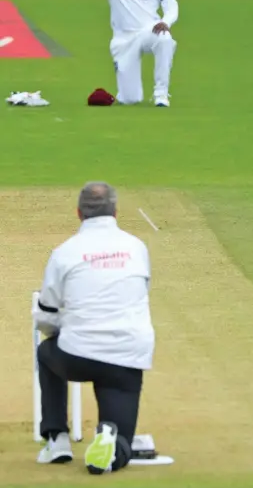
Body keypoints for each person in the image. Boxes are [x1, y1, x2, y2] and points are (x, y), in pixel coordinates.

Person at [32, 182, 154, 474]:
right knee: (122, 443)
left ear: (78, 213)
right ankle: (109, 441)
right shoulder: (137, 247)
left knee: (46, 352)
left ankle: (57, 438)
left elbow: (46, 314)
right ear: (115, 211)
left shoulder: (64, 252)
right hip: (127, 357)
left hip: (77, 355)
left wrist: (61, 331)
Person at [65, 0, 178, 108]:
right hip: (123, 39)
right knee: (130, 99)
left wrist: (167, 21)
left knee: (165, 39)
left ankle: (161, 95)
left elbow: (170, 2)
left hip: (149, 30)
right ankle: (127, 91)